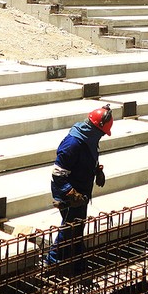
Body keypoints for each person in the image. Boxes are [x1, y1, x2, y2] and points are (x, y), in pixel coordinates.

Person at [45, 104, 113, 275]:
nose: (102, 136)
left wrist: (97, 171)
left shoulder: (89, 139)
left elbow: (90, 158)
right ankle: (52, 263)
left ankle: (76, 263)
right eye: (103, 133)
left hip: (81, 193)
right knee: (70, 228)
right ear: (97, 128)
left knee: (77, 227)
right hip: (70, 195)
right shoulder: (73, 142)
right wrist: (70, 193)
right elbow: (58, 173)